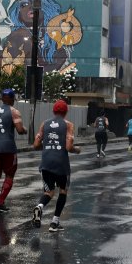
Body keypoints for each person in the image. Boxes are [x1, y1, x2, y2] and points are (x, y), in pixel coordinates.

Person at [32, 99, 81, 232]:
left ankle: (40, 206)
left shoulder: (45, 124)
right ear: (66, 112)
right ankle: (54, 223)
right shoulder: (69, 125)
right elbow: (69, 147)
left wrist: (48, 146)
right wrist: (77, 150)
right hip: (61, 164)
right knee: (63, 191)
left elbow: (36, 145)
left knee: (49, 191)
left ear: (54, 111)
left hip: (46, 163)